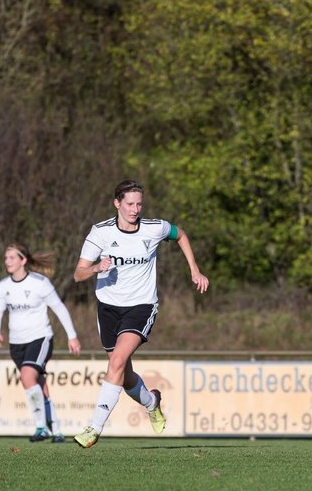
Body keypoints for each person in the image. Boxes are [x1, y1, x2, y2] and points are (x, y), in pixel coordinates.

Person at [71, 179, 209, 448]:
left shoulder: (154, 228)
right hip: (108, 308)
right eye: (130, 204)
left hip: (141, 306)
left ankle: (93, 427)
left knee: (116, 362)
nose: (135, 209)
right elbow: (78, 274)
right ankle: (151, 401)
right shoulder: (99, 233)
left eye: (139, 204)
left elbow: (180, 234)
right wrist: (97, 268)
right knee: (123, 375)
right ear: (117, 204)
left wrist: (194, 269)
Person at [0, 243, 82, 442]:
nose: (8, 262)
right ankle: (56, 430)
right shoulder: (3, 286)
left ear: (23, 260)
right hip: (16, 344)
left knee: (26, 376)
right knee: (38, 384)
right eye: (6, 258)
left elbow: (59, 308)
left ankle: (41, 427)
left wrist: (71, 336)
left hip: (40, 338)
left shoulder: (40, 283)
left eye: (12, 258)